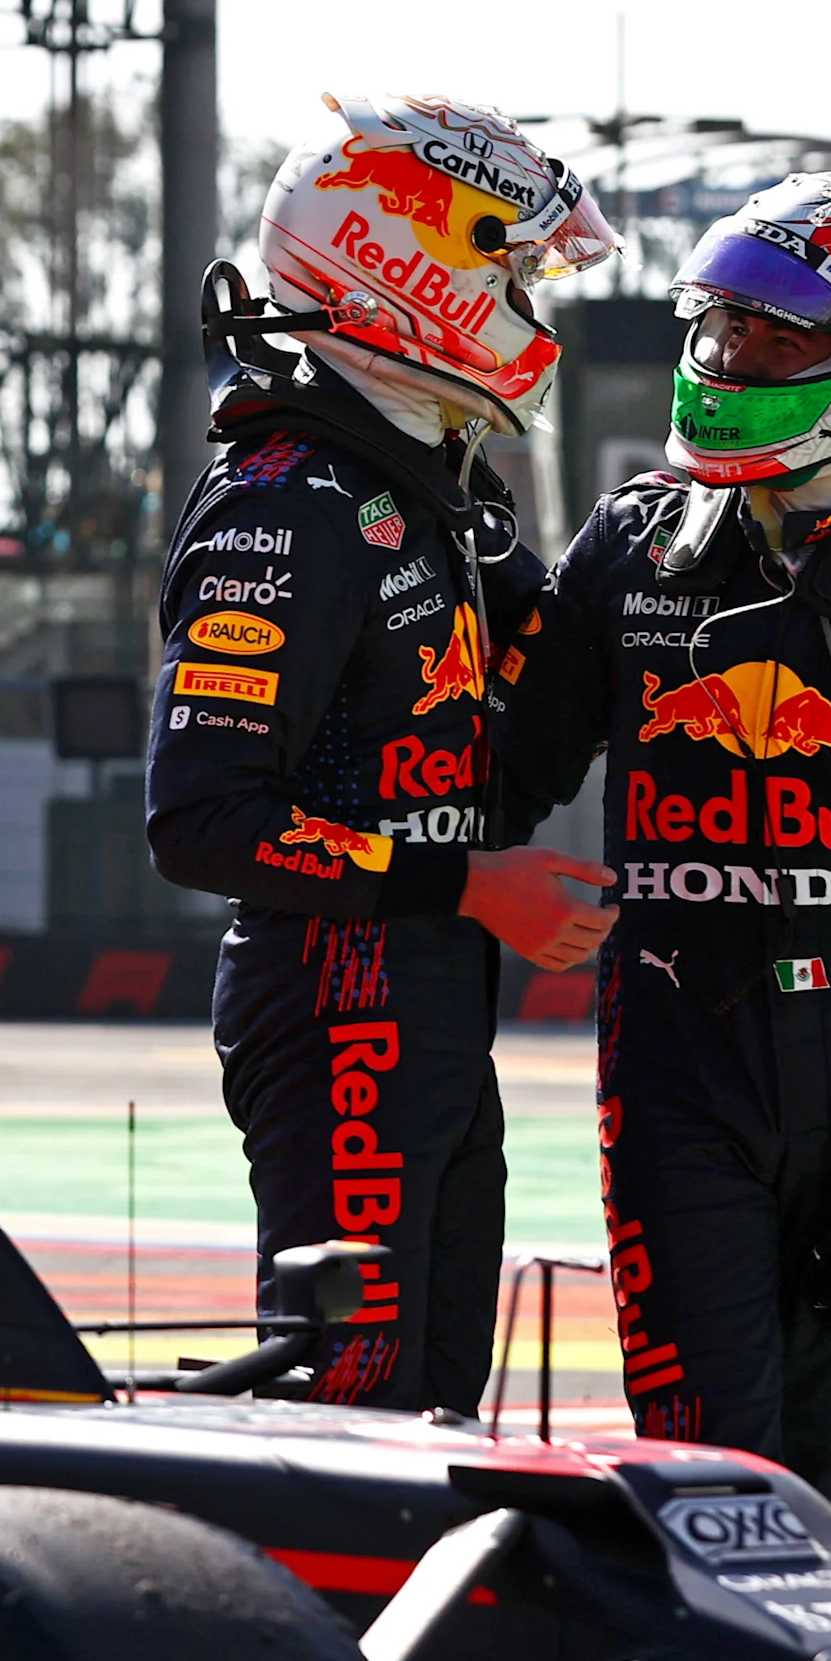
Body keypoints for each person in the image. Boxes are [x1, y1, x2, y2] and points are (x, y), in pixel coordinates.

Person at [491, 173, 831, 1508]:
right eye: (726, 327)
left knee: (813, 1473)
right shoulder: (630, 541)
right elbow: (502, 776)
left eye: (781, 337)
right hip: (679, 1060)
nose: (735, 359)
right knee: (703, 1474)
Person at [147, 94, 621, 1413]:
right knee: (352, 1416)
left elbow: (540, 689)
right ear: (406, 266)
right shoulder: (285, 502)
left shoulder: (433, 482)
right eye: (513, 270)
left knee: (439, 1415)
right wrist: (468, 887)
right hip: (339, 993)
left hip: (432, 1005)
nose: (535, 305)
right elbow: (203, 823)